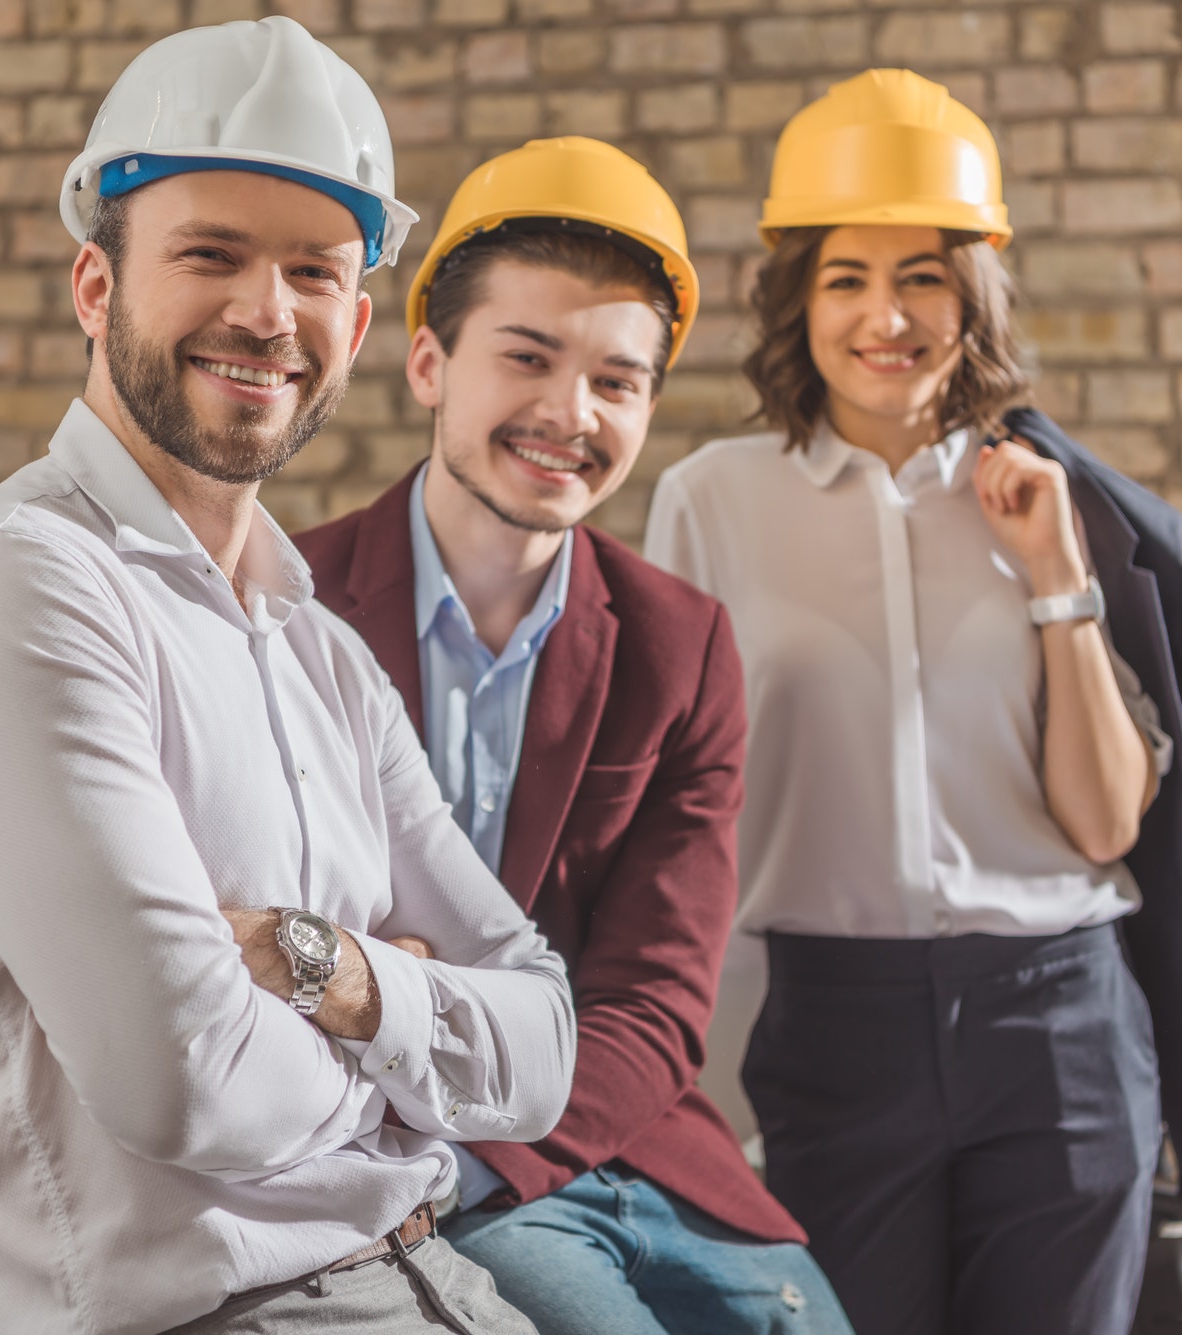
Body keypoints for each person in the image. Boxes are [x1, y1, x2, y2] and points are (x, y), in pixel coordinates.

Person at [0, 21, 576, 1335]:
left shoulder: (320, 650)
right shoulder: (15, 590)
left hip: (433, 1271)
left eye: (311, 272)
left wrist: (322, 969)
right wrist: (411, 1047)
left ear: (355, 326)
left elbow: (547, 1043)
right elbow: (186, 1084)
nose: (265, 312)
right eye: (211, 254)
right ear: (93, 285)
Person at [643, 70, 1182, 1335]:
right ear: (797, 300)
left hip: (1059, 1023)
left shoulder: (1053, 500)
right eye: (847, 278)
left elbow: (1102, 828)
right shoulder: (711, 501)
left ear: (969, 297)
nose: (886, 316)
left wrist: (1053, 579)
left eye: (922, 275)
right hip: (826, 1030)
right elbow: (675, 801)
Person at [295, 137, 853, 1335]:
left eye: (616, 380)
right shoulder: (285, 605)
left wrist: (495, 1143)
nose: (570, 414)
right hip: (407, 1160)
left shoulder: (676, 643)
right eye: (529, 358)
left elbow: (654, 1005)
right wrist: (437, 1159)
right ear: (429, 363)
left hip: (638, 1150)